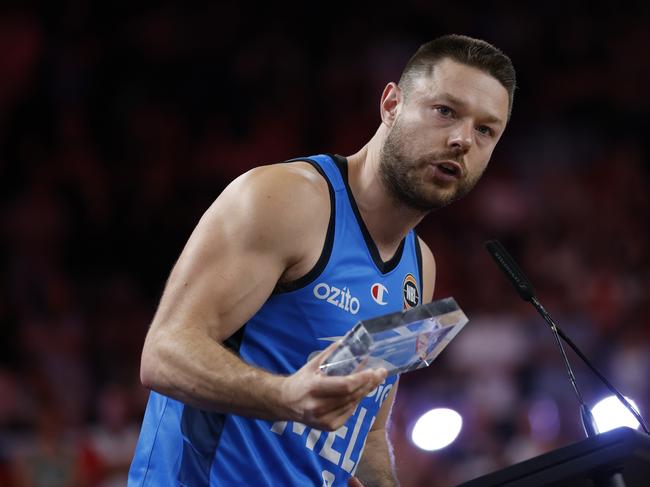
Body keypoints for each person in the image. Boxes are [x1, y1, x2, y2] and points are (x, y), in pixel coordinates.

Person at [128, 34, 515, 487]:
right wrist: (284, 394)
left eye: (485, 130)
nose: (461, 139)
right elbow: (163, 354)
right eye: (445, 110)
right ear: (391, 104)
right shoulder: (287, 200)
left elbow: (365, 428)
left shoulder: (419, 267)